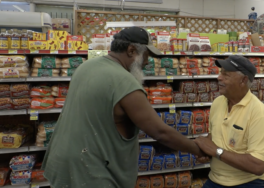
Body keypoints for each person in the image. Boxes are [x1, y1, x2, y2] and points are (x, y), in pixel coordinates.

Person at [42, 27, 205, 188]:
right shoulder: (125, 82)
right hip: (90, 171)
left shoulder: (86, 67)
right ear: (131, 50)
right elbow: (160, 132)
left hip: (62, 162)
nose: (147, 62)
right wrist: (198, 149)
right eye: (146, 55)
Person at [194, 55, 264, 188]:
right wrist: (205, 151)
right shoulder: (218, 102)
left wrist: (215, 151)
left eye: (226, 74)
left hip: (252, 182)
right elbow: (215, 136)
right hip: (216, 179)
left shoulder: (258, 111)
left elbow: (258, 166)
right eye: (220, 73)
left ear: (243, 80)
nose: (219, 78)